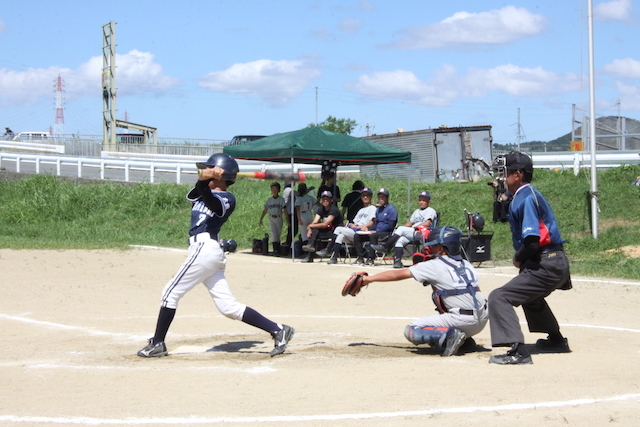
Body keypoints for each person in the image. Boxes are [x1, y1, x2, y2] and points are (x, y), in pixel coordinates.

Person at [137, 153, 294, 358]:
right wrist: (208, 174)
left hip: (205, 250)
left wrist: (208, 177)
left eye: (212, 171)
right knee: (228, 307)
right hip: (206, 251)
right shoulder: (202, 192)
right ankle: (278, 330)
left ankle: (158, 343)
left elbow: (210, 199)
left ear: (221, 176)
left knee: (170, 293)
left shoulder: (227, 199)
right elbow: (197, 191)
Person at [487, 151, 572, 365]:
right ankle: (556, 340)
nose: (501, 177)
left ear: (518, 175)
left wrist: (517, 259)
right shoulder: (522, 195)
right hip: (551, 261)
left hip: (547, 262)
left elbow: (533, 241)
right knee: (530, 295)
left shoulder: (526, 197)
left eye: (504, 172)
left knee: (499, 297)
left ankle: (518, 351)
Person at [355, 226, 488, 357]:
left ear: (441, 248)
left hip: (462, 319)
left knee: (412, 330)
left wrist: (368, 279)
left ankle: (450, 336)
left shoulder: (434, 265)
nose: (429, 248)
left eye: (433, 245)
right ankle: (466, 342)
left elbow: (398, 274)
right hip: (482, 318)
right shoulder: (466, 263)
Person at [371, 191, 437, 268]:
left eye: (424, 200)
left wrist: (408, 228)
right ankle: (397, 261)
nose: (421, 202)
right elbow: (410, 222)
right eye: (420, 200)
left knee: (401, 229)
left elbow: (427, 223)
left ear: (429, 202)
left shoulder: (430, 210)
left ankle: (386, 246)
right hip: (413, 233)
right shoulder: (417, 211)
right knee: (400, 240)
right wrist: (403, 228)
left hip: (423, 233)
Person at [316, 187, 376, 264]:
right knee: (340, 235)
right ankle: (334, 258)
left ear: (371, 197)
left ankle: (328, 249)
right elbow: (355, 223)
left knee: (338, 229)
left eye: (367, 195)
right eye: (363, 195)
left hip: (363, 233)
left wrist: (361, 226)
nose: (365, 197)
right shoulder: (361, 210)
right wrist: (350, 226)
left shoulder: (372, 208)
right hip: (355, 232)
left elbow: (373, 221)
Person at [352, 188, 398, 265]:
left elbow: (391, 225)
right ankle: (360, 258)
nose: (381, 199)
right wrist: (368, 229)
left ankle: (370, 258)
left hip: (386, 233)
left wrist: (376, 231)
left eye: (383, 197)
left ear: (387, 198)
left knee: (373, 236)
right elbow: (375, 223)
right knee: (357, 236)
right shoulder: (379, 210)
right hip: (376, 232)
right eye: (379, 197)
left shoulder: (391, 209)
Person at [301, 190, 343, 263]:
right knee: (314, 230)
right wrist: (310, 228)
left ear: (331, 200)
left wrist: (311, 226)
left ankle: (326, 250)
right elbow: (315, 221)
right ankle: (310, 251)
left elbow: (325, 224)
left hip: (335, 232)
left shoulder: (334, 209)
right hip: (327, 231)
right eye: (323, 199)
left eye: (327, 199)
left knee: (316, 228)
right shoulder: (321, 209)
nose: (325, 200)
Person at [258, 182, 286, 256]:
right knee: (273, 234)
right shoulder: (269, 200)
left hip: (279, 217)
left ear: (279, 190)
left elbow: (285, 210)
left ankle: (278, 249)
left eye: (275, 189)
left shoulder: (281, 199)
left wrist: (288, 220)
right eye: (272, 189)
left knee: (278, 234)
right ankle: (275, 250)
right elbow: (265, 210)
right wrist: (261, 219)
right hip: (271, 217)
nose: (274, 191)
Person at [282, 182, 298, 247]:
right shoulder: (288, 190)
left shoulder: (287, 190)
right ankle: (288, 243)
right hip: (291, 212)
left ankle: (288, 242)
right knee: (293, 230)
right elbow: (299, 193)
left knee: (292, 230)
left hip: (290, 212)